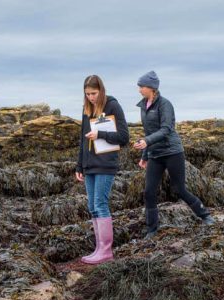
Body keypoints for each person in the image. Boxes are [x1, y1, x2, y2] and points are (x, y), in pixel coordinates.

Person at [132, 71, 215, 238]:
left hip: (172, 152)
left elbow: (166, 129)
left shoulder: (165, 104)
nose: (139, 89)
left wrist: (147, 141)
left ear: (151, 88)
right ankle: (152, 230)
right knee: (149, 192)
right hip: (155, 155)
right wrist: (145, 156)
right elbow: (149, 131)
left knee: (179, 189)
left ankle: (204, 215)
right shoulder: (143, 106)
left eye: (141, 86)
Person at [76, 75, 129, 264]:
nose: (91, 97)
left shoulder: (113, 106)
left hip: (106, 163)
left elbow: (124, 137)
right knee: (92, 207)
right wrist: (79, 165)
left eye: (94, 93)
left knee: (100, 204)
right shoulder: (86, 108)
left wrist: (100, 134)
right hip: (89, 165)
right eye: (88, 94)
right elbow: (83, 140)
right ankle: (99, 248)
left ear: (101, 90)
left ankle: (106, 251)